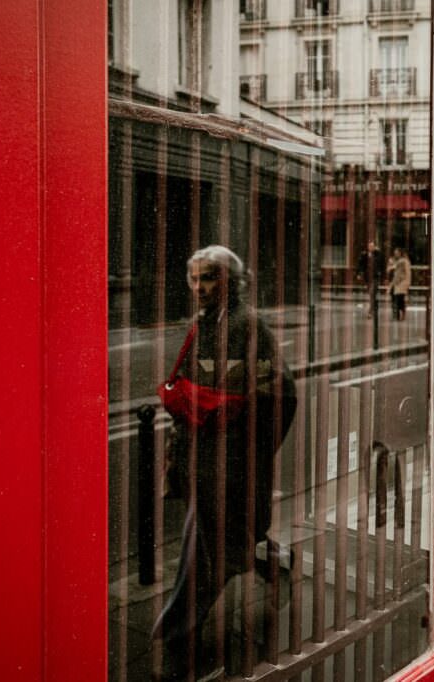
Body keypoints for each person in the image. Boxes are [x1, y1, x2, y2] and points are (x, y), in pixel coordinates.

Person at [154, 245, 296, 681]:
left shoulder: (248, 325)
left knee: (209, 546)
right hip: (202, 458)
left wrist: (234, 423)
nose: (200, 288)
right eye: (195, 279)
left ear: (231, 281)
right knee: (223, 538)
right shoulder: (204, 324)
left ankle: (176, 631)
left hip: (229, 461)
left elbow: (282, 393)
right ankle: (274, 563)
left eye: (210, 278)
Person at [356, 240, 386, 318]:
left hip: (375, 277)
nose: (371, 248)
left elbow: (383, 266)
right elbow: (360, 265)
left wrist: (384, 277)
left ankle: (370, 311)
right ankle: (374, 308)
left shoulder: (379, 255)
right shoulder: (364, 255)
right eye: (369, 246)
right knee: (371, 294)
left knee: (372, 293)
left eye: (372, 246)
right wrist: (359, 274)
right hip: (368, 278)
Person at [387, 248, 412, 321]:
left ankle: (398, 315)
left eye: (397, 253)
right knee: (398, 300)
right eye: (395, 253)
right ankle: (398, 315)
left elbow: (398, 274)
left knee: (398, 300)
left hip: (400, 284)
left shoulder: (402, 262)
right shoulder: (402, 261)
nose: (396, 254)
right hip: (399, 284)